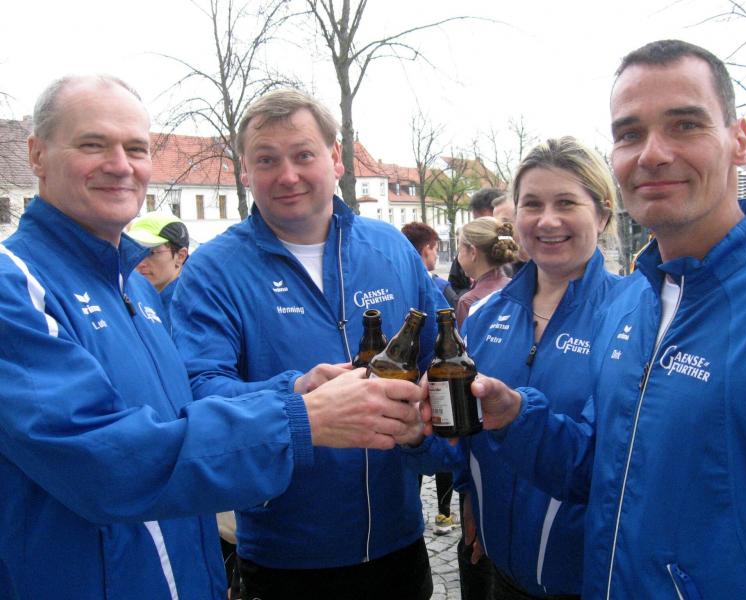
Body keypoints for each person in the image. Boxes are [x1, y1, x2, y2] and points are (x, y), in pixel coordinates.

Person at [0, 75, 426, 600]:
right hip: (264, 556)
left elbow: (180, 418)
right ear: (37, 155)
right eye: (93, 144)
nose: (120, 165)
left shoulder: (133, 287)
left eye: (136, 148)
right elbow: (102, 460)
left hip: (378, 542)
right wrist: (300, 418)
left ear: (336, 158)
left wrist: (293, 392)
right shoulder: (16, 286)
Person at [427, 40, 746, 598]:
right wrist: (513, 418)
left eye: (685, 124)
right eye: (629, 133)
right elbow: (599, 473)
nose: (653, 153)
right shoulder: (636, 304)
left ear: (739, 140)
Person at [171, 88, 446, 600]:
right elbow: (197, 392)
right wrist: (296, 392)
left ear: (335, 157)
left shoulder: (390, 248)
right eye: (266, 160)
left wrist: (424, 442)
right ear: (245, 170)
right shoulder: (214, 270)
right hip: (284, 554)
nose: (287, 175)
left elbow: (440, 367)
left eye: (303, 155)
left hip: (399, 543)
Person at [407, 137, 621, 599]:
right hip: (500, 573)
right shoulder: (486, 315)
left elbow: (612, 467)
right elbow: (460, 443)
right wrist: (414, 433)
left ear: (603, 214)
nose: (547, 220)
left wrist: (517, 417)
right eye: (533, 204)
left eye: (567, 203)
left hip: (587, 583)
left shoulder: (631, 317)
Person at [401, 221, 457, 535]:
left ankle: (445, 511)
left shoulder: (430, 287)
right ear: (426, 250)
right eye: (434, 249)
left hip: (418, 421)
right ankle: (445, 512)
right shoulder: (438, 287)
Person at [127, 211, 190, 330]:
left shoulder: (188, 307)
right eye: (134, 253)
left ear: (180, 256)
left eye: (151, 253)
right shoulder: (133, 297)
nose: (140, 263)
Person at [455, 216, 518, 328]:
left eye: (459, 250)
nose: (458, 257)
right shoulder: (517, 288)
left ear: (473, 252)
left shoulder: (469, 302)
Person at [448, 187, 505, 297]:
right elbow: (454, 288)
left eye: (487, 222)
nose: (480, 228)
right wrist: (473, 295)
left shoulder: (519, 254)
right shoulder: (466, 252)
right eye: (476, 221)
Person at [491, 192, 529, 274]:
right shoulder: (499, 269)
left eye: (505, 221)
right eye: (495, 223)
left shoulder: (546, 265)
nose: (498, 228)